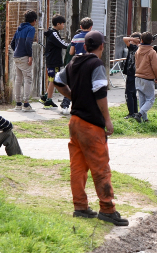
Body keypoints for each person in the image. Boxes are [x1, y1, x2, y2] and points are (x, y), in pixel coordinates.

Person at [53, 31, 128, 227]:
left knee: (77, 168)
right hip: (91, 125)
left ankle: (80, 207)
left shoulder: (74, 62)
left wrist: (72, 97)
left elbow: (57, 82)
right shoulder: (97, 65)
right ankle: (107, 209)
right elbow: (100, 93)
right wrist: (108, 120)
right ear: (102, 47)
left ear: (85, 46)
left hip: (75, 122)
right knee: (101, 168)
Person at [62, 17, 94, 115]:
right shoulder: (91, 37)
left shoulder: (75, 37)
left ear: (81, 26)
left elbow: (71, 52)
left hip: (76, 63)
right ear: (91, 27)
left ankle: (65, 105)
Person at [10, 10, 38, 112]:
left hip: (16, 56)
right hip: (24, 56)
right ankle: (26, 104)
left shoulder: (19, 28)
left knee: (18, 79)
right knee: (28, 79)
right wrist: (29, 56)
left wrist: (17, 51)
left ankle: (18, 104)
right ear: (34, 20)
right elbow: (28, 42)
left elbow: (12, 43)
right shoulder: (31, 28)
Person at [42, 14, 72, 108]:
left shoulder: (52, 32)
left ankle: (46, 97)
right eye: (62, 24)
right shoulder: (54, 33)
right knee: (54, 80)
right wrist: (73, 45)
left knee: (53, 79)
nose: (63, 26)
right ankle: (48, 101)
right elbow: (62, 44)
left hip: (51, 59)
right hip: (54, 60)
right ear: (58, 24)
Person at [133, 32, 157, 123]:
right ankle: (140, 114)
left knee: (142, 99)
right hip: (148, 79)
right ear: (152, 41)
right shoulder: (152, 52)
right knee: (150, 99)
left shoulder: (137, 51)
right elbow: (156, 67)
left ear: (141, 40)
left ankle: (145, 119)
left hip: (137, 77)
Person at [122, 32, 142, 119]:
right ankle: (135, 112)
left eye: (132, 39)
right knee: (133, 93)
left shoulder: (134, 47)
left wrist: (134, 40)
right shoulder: (138, 48)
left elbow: (124, 39)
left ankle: (131, 113)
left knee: (129, 93)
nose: (130, 40)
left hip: (132, 73)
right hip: (136, 73)